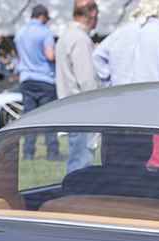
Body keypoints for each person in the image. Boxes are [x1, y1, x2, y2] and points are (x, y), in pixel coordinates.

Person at [93, 0, 159, 85]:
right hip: (153, 95)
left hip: (121, 94)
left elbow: (97, 56)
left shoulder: (119, 33)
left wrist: (110, 82)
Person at [56, 0, 100, 172]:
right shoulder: (80, 39)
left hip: (70, 105)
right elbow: (87, 81)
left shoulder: (66, 35)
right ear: (93, 13)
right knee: (81, 163)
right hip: (83, 109)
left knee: (77, 159)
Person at [15, 4, 60, 160]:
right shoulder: (45, 32)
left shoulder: (20, 32)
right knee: (49, 118)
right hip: (44, 78)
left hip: (26, 78)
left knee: (29, 118)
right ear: (42, 17)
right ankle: (52, 152)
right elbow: (50, 56)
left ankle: (28, 152)